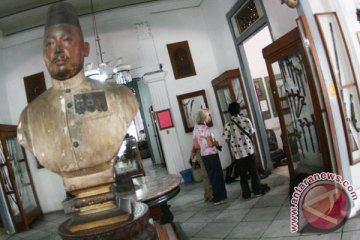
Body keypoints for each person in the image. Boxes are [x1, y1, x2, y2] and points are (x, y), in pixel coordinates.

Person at [17, 2, 139, 193]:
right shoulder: (29, 118)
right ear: (44, 54)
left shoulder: (120, 97)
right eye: (50, 44)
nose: (57, 50)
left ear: (85, 48)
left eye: (66, 41)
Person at [223, 102, 269, 199]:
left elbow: (226, 139)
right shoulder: (246, 120)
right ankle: (257, 191)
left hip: (238, 154)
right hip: (249, 151)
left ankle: (246, 194)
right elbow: (251, 133)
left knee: (242, 175)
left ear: (229, 112)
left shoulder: (227, 125)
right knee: (253, 172)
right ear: (239, 110)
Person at [191, 109, 227, 205]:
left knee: (211, 176)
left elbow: (196, 146)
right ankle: (219, 198)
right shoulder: (205, 129)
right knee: (217, 176)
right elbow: (211, 144)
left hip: (204, 155)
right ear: (204, 118)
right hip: (212, 154)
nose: (209, 117)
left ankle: (216, 196)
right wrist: (216, 143)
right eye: (208, 116)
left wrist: (203, 145)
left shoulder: (195, 129)